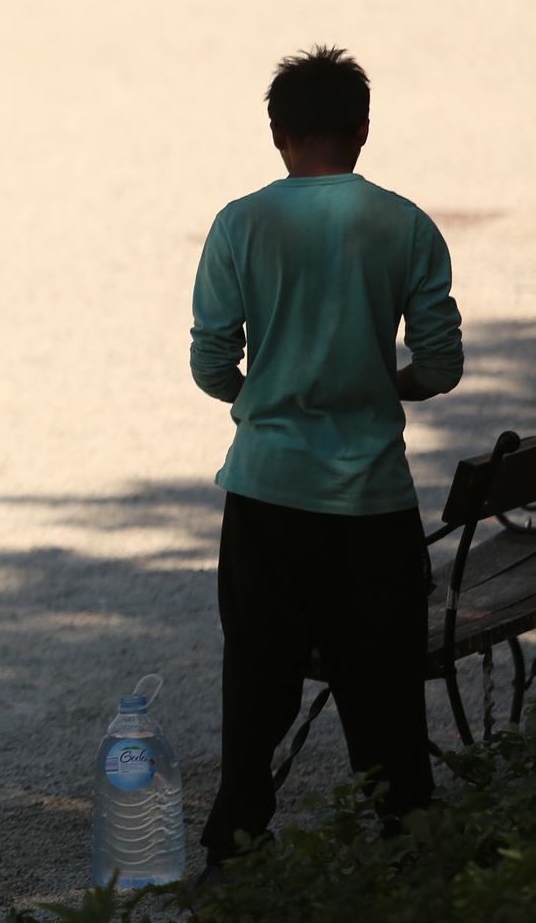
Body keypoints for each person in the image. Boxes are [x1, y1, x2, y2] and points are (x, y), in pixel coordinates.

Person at [188, 46, 463, 878]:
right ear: (363, 131)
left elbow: (210, 362)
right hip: (372, 502)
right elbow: (443, 366)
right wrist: (388, 382)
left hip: (268, 493)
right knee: (383, 687)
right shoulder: (405, 222)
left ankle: (237, 845)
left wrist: (261, 390)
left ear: (279, 135)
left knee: (256, 682)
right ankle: (410, 844)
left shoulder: (242, 221)